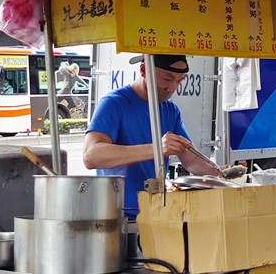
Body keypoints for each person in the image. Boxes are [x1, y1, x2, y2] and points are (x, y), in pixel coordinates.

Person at [84, 54, 221, 215]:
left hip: (155, 213)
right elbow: (91, 156)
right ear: (144, 70)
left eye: (179, 81)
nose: (172, 88)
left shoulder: (170, 110)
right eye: (167, 79)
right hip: (118, 215)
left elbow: (190, 160)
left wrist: (219, 173)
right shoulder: (114, 103)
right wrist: (157, 148)